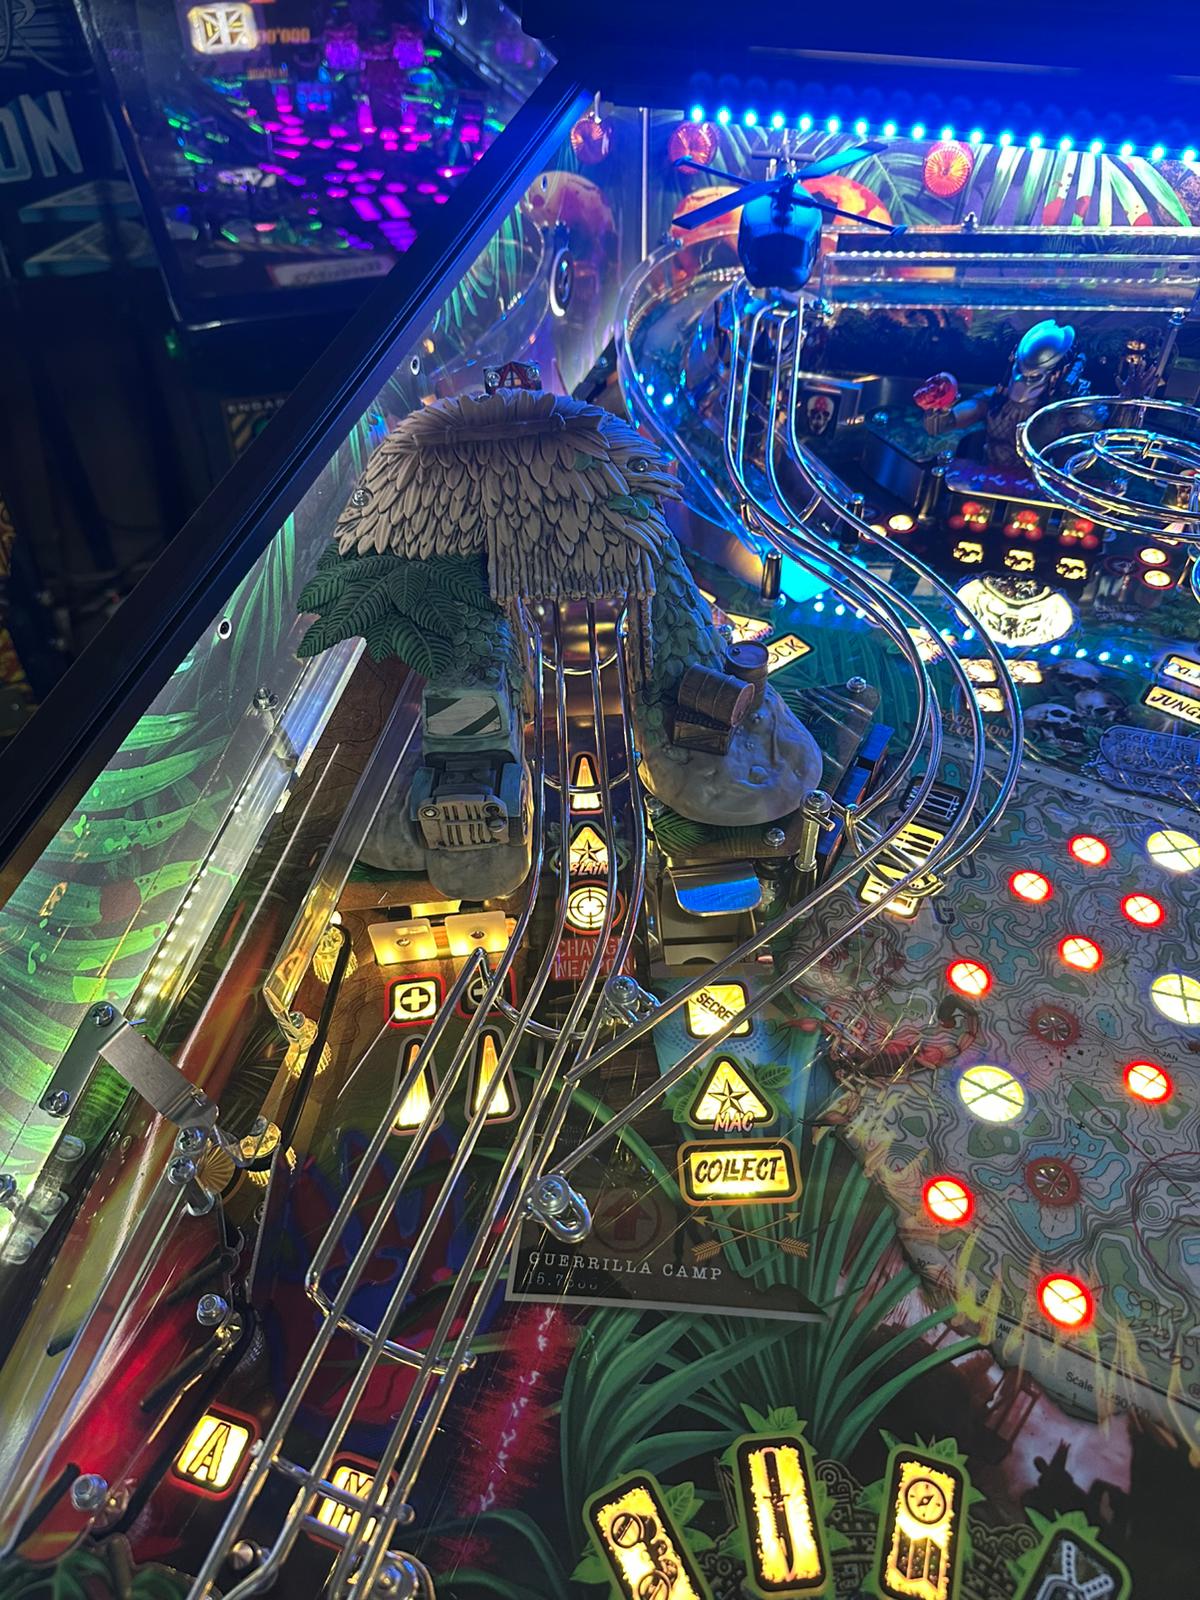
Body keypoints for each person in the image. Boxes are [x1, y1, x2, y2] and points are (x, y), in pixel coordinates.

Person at [923, 319, 1088, 471]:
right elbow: (943, 424)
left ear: (1056, 375)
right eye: (1020, 371)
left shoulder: (1065, 411)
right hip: (991, 476)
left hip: (1037, 483)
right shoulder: (998, 399)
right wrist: (941, 406)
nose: (1022, 381)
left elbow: (1079, 458)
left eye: (1034, 377)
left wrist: (1081, 421)